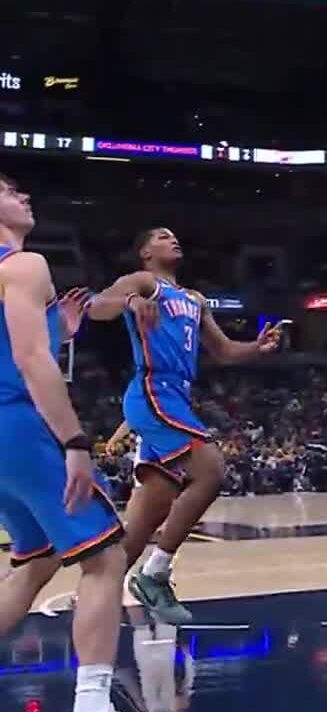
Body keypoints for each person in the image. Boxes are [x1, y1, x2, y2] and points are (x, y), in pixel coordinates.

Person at [88, 227, 282, 624]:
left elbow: (225, 351)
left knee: (149, 514)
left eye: (176, 235)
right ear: (145, 252)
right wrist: (128, 301)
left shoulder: (194, 299)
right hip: (152, 389)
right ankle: (155, 574)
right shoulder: (145, 283)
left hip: (178, 394)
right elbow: (95, 306)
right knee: (211, 470)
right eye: (162, 236)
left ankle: (94, 598)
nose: (174, 239)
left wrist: (257, 348)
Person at [0, 174, 128, 712]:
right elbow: (29, 360)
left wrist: (60, 329)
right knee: (105, 558)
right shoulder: (25, 265)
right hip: (21, 426)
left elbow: (16, 343)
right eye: (8, 189)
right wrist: (74, 440)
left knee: (38, 558)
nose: (24, 194)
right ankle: (93, 701)